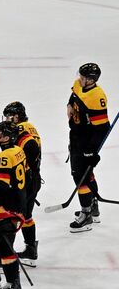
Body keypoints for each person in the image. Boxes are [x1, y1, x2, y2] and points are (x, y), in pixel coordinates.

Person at [0, 121, 27, 289]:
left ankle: (12, 282)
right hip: (16, 204)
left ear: (7, 137)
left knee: (4, 246)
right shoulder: (18, 151)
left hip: (5, 208)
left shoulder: (2, 158)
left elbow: (1, 188)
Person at [67, 63, 109, 233]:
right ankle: (93, 205)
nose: (80, 79)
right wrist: (69, 106)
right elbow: (73, 97)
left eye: (83, 77)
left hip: (86, 140)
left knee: (80, 177)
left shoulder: (97, 97)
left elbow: (102, 128)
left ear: (91, 80)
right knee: (87, 174)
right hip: (76, 135)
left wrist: (92, 151)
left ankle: (86, 214)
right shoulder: (79, 84)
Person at [3, 102, 42, 266]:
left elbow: (26, 154)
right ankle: (31, 248)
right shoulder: (30, 126)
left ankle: (6, 254)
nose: (6, 119)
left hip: (25, 180)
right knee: (26, 215)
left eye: (8, 116)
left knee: (14, 215)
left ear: (16, 117)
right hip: (32, 178)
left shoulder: (21, 131)